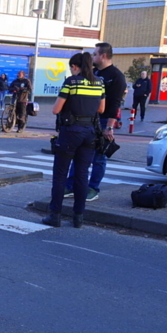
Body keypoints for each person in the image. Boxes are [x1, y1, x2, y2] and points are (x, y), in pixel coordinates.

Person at [42, 52, 105, 229]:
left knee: (61, 174)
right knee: (82, 174)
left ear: (75, 67)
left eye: (71, 67)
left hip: (70, 132)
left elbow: (56, 109)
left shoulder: (71, 81)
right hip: (90, 133)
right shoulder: (99, 82)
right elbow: (101, 109)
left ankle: (55, 216)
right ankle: (78, 217)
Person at [65, 43, 126, 202]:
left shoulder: (116, 76)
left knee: (99, 157)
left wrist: (109, 127)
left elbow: (115, 103)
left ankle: (93, 188)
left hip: (104, 120)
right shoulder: (93, 72)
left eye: (95, 54)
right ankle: (71, 185)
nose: (92, 57)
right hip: (88, 119)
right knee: (78, 153)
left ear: (103, 56)